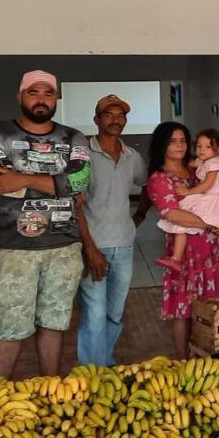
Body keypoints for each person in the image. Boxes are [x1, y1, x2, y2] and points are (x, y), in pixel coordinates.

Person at [0, 71, 91, 378]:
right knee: (10, 328)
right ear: (20, 97)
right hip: (16, 250)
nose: (41, 98)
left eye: (48, 93)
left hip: (64, 247)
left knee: (54, 324)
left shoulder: (74, 137)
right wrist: (59, 185)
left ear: (56, 98)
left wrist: (26, 178)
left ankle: (49, 388)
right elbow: (2, 182)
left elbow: (81, 180)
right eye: (33, 92)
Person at [145, 122, 219, 358]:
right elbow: (170, 213)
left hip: (211, 250)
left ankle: (212, 356)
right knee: (183, 308)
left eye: (183, 140)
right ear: (162, 144)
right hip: (185, 255)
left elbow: (217, 193)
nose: (180, 145)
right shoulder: (159, 178)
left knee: (213, 305)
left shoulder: (197, 170)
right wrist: (208, 223)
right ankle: (183, 360)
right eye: (173, 141)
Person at [75, 94, 149, 368]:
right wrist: (89, 248)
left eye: (121, 115)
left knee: (114, 314)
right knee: (94, 314)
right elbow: (75, 205)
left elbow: (147, 185)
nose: (116, 120)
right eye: (109, 115)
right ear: (97, 120)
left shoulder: (132, 156)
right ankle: (90, 373)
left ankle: (103, 365)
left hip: (125, 246)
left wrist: (139, 215)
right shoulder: (84, 155)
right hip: (94, 245)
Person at [156, 127, 219, 271]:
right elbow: (189, 163)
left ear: (218, 150)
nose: (202, 150)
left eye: (208, 146)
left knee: (185, 213)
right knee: (183, 218)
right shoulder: (203, 161)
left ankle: (176, 258)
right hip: (207, 196)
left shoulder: (214, 163)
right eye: (199, 146)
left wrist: (188, 192)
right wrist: (172, 162)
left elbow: (207, 184)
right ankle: (176, 258)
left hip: (215, 199)